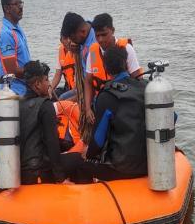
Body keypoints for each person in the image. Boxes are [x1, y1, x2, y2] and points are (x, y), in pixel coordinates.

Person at [0, 60, 84, 184]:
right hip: (39, 172)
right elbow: (52, 143)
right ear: (37, 84)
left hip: (21, 171)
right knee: (79, 158)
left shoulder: (16, 104)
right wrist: (60, 178)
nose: (49, 84)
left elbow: (4, 139)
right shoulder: (46, 106)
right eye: (46, 80)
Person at [76, 46, 147, 183]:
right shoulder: (146, 87)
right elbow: (172, 118)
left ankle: (89, 201)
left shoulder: (107, 96)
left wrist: (88, 153)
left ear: (106, 67)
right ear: (126, 64)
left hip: (121, 168)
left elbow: (98, 140)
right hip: (148, 164)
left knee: (81, 167)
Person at [84, 13, 142, 124]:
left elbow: (138, 80)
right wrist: (87, 109)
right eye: (97, 36)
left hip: (124, 102)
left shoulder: (127, 49)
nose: (100, 40)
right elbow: (88, 81)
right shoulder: (93, 52)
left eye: (104, 34)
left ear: (113, 30)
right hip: (102, 102)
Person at [0, 0, 30, 96]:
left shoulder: (16, 28)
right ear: (7, 8)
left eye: (21, 3)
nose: (20, 7)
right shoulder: (6, 34)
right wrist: (35, 72)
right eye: (16, 4)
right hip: (15, 93)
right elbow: (12, 70)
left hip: (25, 88)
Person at [50, 35, 77, 100]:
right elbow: (57, 75)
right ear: (61, 40)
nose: (68, 41)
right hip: (67, 87)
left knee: (62, 98)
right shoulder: (61, 51)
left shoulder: (78, 51)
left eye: (69, 38)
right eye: (65, 39)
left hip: (77, 89)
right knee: (51, 94)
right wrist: (49, 90)